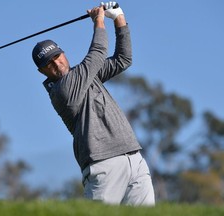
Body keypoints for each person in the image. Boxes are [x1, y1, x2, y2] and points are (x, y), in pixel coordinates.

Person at [32, 2, 155, 206]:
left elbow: (123, 59)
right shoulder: (61, 90)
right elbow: (98, 52)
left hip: (133, 156)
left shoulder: (85, 76)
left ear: (64, 54)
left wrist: (118, 18)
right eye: (48, 63)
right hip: (103, 163)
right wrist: (99, 19)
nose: (56, 63)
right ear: (42, 72)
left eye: (57, 56)